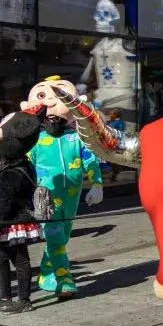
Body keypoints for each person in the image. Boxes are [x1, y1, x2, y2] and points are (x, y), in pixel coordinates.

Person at [24, 77, 104, 299]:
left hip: (71, 196)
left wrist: (97, 184)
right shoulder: (35, 141)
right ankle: (64, 280)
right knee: (55, 237)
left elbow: (90, 160)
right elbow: (23, 167)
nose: (51, 104)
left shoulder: (76, 138)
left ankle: (46, 274)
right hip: (44, 197)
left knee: (62, 237)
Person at [0, 105, 48, 313]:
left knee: (19, 259)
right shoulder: (23, 164)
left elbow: (1, 207)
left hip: (12, 222)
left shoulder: (10, 173)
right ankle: (5, 297)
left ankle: (23, 300)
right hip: (14, 220)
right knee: (1, 257)